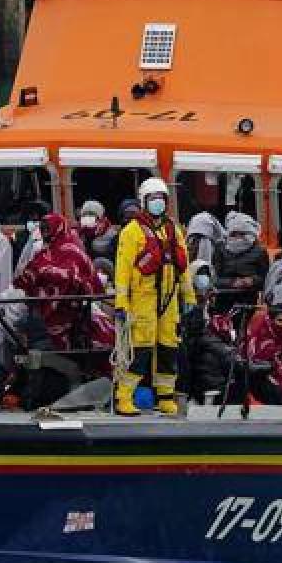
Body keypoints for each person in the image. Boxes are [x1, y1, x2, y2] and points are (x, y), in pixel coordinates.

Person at [114, 177, 196, 416]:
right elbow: (123, 270)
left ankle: (166, 397)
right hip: (142, 298)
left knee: (168, 348)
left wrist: (189, 296)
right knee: (140, 348)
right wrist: (122, 303)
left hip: (169, 298)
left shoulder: (174, 230)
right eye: (153, 199)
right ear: (144, 202)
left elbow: (183, 266)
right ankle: (124, 396)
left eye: (161, 199)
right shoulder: (131, 232)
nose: (158, 203)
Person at [14, 213, 106, 351]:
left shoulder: (74, 252)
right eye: (42, 229)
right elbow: (25, 278)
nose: (44, 232)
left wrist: (51, 275)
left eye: (48, 228)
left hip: (71, 314)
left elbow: (85, 280)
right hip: (40, 314)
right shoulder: (42, 253)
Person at [180, 261, 236, 405]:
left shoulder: (213, 302)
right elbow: (196, 333)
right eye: (199, 275)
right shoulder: (183, 301)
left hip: (206, 345)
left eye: (206, 275)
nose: (203, 279)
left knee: (217, 359)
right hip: (187, 345)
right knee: (210, 358)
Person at [211, 211, 268, 322]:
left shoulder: (260, 251)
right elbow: (214, 278)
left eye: (241, 234)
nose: (236, 238)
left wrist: (251, 280)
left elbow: (265, 278)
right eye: (233, 234)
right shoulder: (220, 248)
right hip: (224, 298)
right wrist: (232, 282)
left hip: (247, 299)